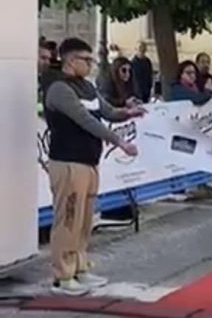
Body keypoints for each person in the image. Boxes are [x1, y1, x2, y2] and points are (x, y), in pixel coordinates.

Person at [43, 38, 144, 296]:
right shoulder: (59, 88)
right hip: (68, 162)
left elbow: (107, 111)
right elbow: (86, 120)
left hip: (89, 161)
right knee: (68, 219)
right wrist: (120, 142)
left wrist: (128, 112)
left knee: (85, 219)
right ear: (70, 61)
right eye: (86, 60)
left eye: (91, 60)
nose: (90, 65)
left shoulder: (87, 87)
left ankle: (80, 267)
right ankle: (62, 276)